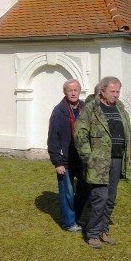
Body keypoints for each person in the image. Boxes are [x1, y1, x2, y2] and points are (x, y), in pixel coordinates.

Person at [75, 76, 131, 249]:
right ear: (102, 91)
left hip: (117, 159)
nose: (116, 95)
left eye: (118, 91)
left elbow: (127, 136)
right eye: (113, 91)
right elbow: (80, 134)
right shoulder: (91, 109)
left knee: (110, 198)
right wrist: (88, 157)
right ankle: (93, 233)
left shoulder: (121, 110)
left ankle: (103, 230)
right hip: (98, 162)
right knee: (99, 197)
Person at [47, 79, 90, 232]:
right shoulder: (59, 111)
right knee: (67, 192)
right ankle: (69, 222)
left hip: (82, 158)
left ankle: (76, 217)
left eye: (75, 90)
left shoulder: (85, 108)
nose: (73, 92)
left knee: (85, 188)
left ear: (79, 91)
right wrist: (57, 162)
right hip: (65, 160)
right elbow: (53, 139)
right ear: (65, 92)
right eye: (70, 90)